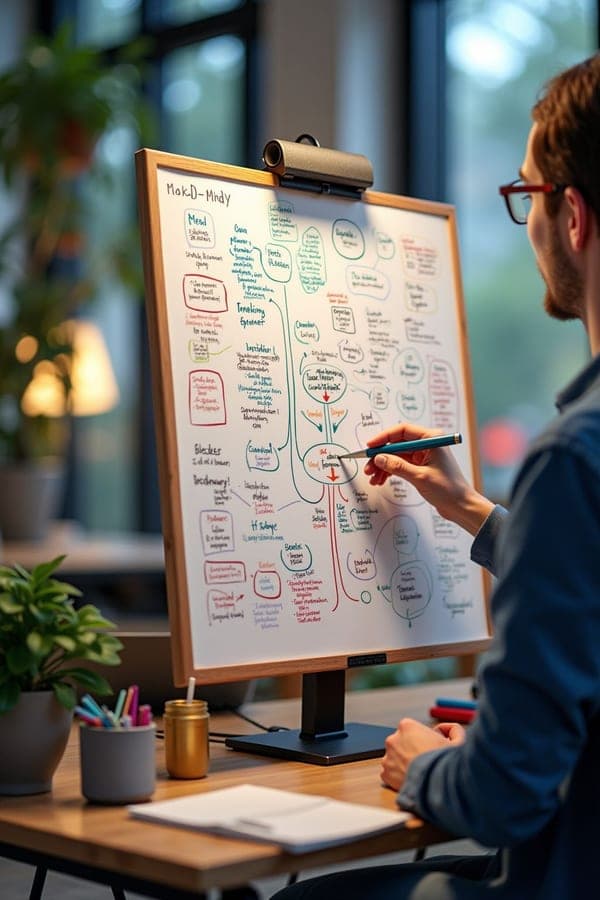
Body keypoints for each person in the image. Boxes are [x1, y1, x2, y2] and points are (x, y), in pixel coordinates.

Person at [272, 53, 600, 899]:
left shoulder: (575, 457)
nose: (523, 222)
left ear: (573, 216)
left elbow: (501, 795)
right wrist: (474, 513)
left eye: (524, 196)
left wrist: (424, 764)